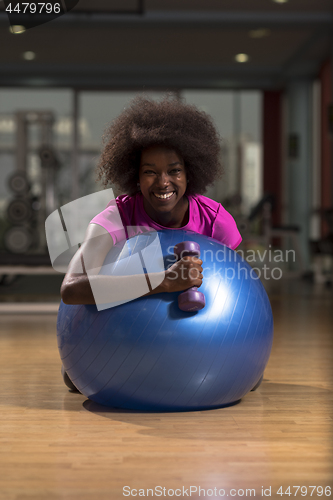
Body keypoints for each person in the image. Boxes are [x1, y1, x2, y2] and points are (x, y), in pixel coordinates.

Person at [61, 95, 241, 307]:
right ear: (135, 176)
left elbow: (237, 290)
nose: (163, 182)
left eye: (174, 170)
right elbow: (71, 289)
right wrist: (164, 281)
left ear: (189, 173)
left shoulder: (215, 221)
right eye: (150, 172)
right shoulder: (117, 217)